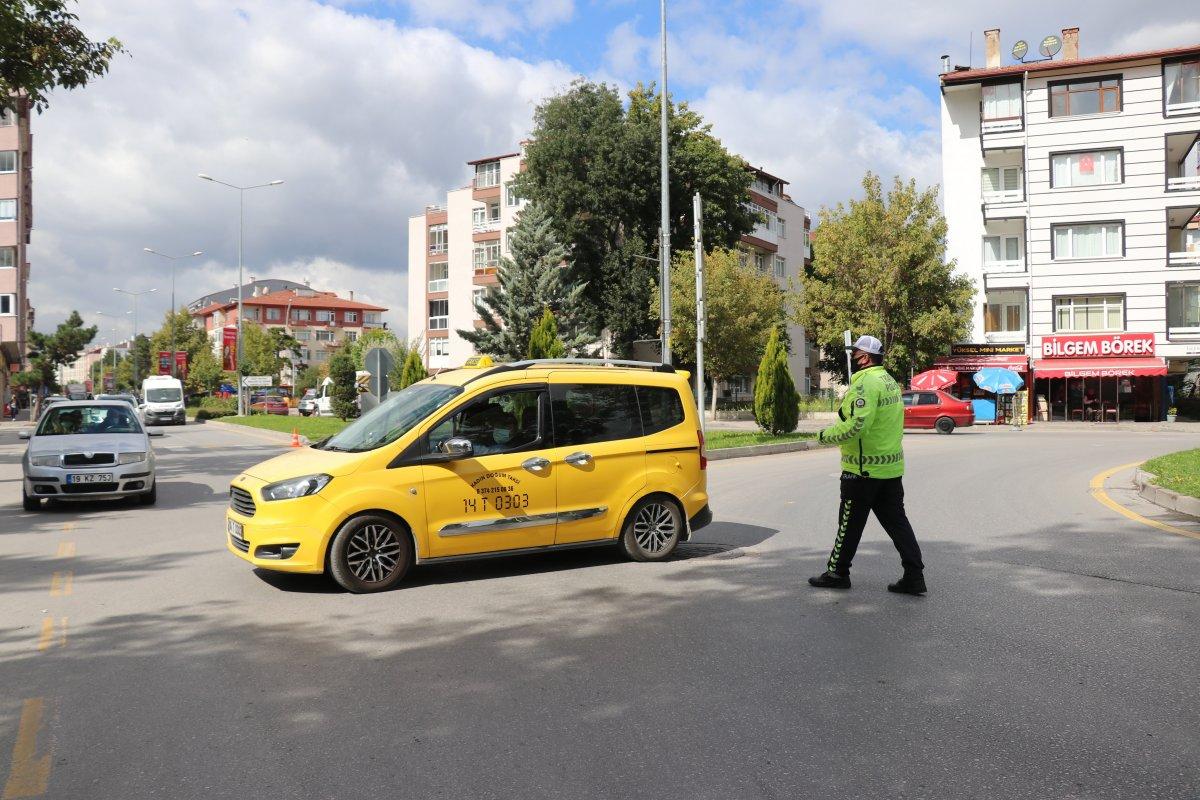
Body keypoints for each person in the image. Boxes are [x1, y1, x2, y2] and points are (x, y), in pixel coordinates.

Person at [808, 335, 927, 595]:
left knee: (848, 526)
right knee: (898, 524)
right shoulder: (889, 381)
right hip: (890, 469)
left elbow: (858, 425)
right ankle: (914, 575)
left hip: (862, 471)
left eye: (856, 353)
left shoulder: (865, 384)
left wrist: (823, 436)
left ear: (865, 357)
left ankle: (837, 573)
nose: (852, 357)